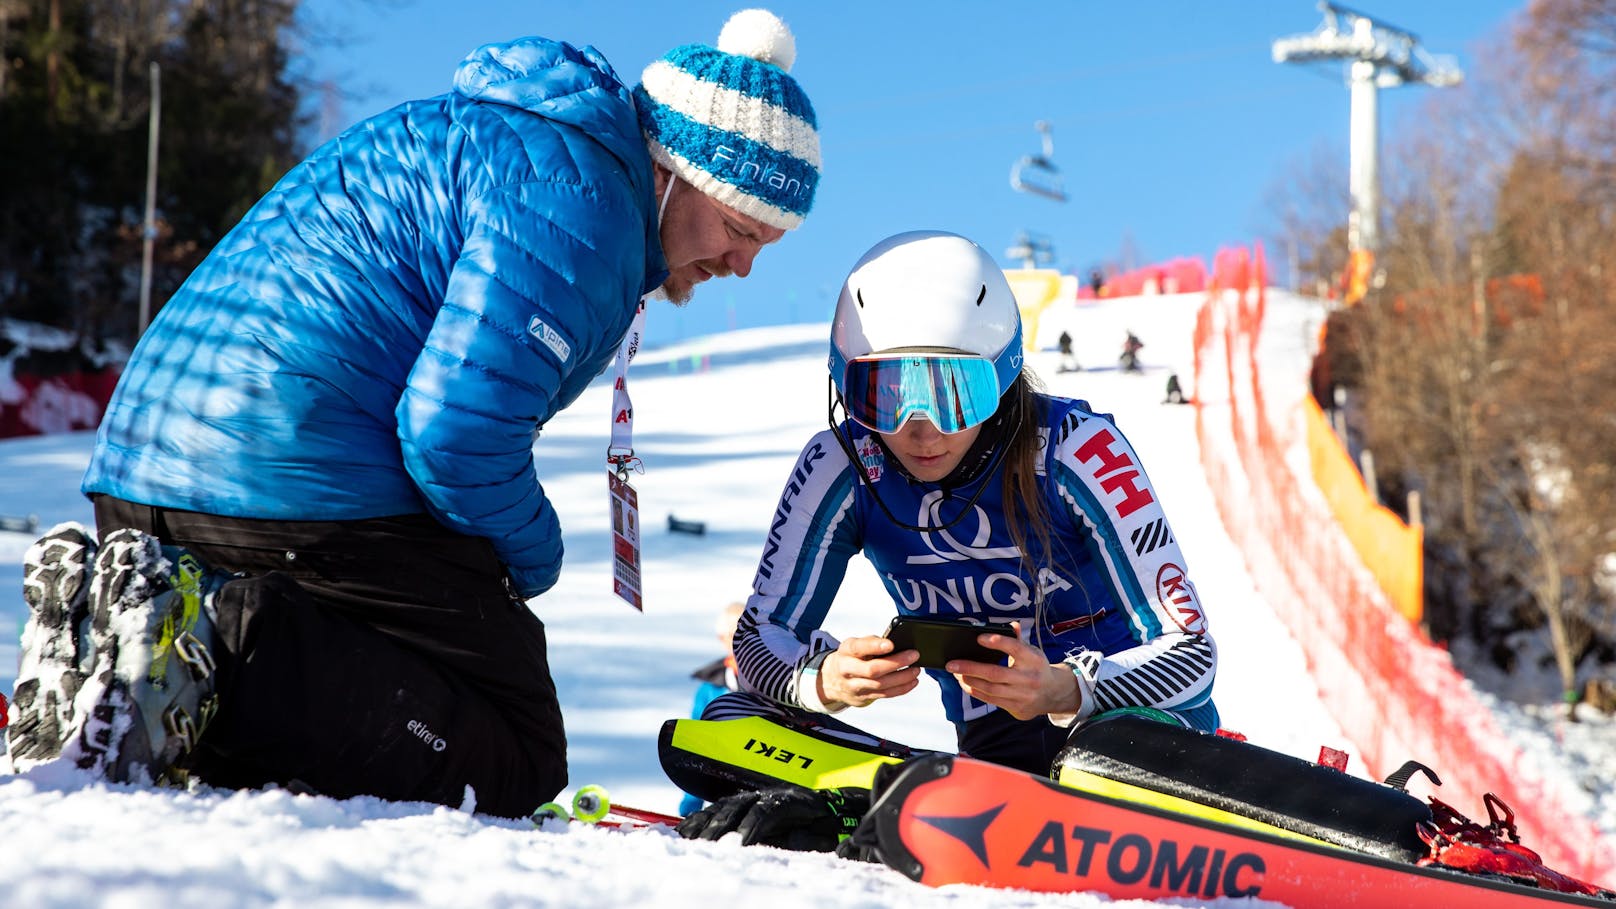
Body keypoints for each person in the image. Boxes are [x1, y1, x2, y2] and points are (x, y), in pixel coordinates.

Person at [5, 9, 821, 819]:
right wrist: (534, 556)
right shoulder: (587, 201)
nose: (742, 263)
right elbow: (458, 435)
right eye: (738, 227)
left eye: (768, 243)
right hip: (279, 475)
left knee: (400, 665)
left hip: (152, 469)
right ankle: (211, 648)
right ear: (672, 169)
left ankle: (125, 645)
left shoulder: (522, 144)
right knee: (516, 746)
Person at [684, 231, 1218, 818]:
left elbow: (1193, 653)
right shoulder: (841, 463)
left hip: (1127, 736)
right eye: (885, 395)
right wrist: (824, 679)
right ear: (845, 385)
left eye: (955, 393)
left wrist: (1067, 688)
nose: (923, 430)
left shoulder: (1073, 449)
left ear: (1004, 379)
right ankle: (892, 809)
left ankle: (927, 810)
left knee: (1097, 761)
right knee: (732, 718)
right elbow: (760, 636)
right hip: (998, 760)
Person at [678, 601, 745, 815]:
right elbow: (696, 744)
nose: (740, 640)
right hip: (722, 777)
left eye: (747, 633)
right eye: (734, 634)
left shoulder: (769, 682)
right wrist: (690, 808)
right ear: (723, 638)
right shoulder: (710, 689)